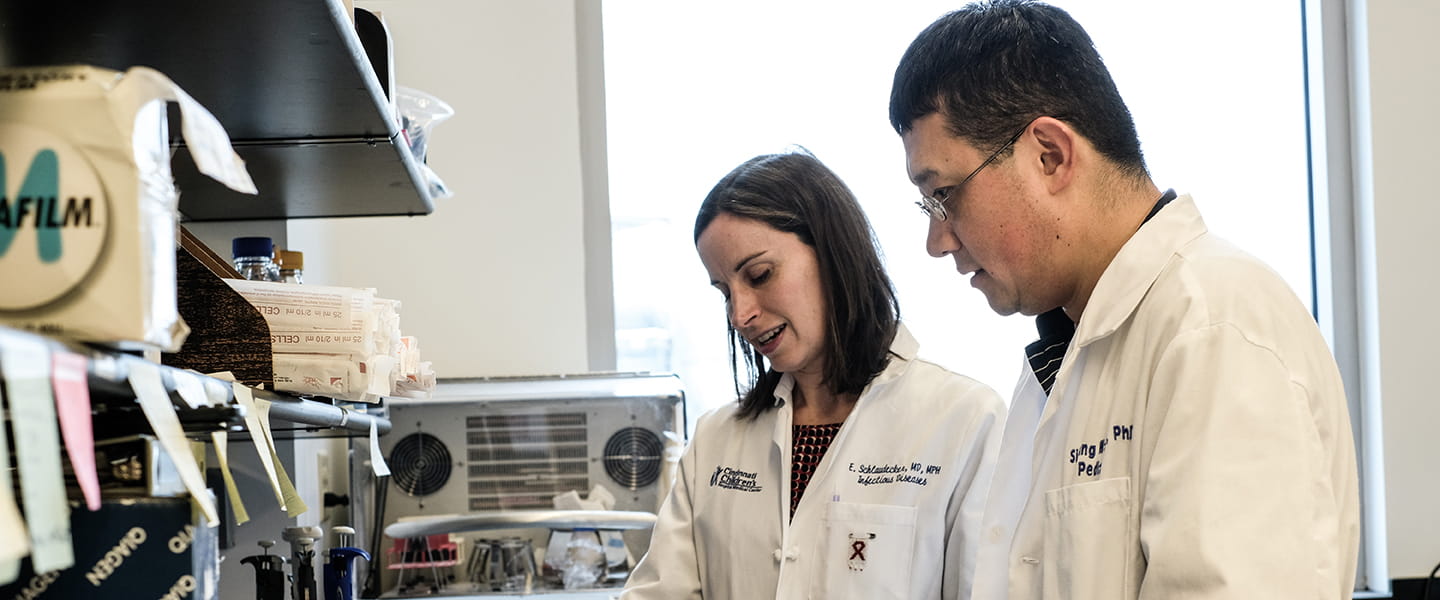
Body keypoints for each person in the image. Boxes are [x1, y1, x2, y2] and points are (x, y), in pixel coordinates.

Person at [887, 2, 1360, 598]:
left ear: (1050, 155)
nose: (937, 242)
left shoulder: (1216, 328)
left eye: (944, 195)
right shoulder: (1070, 351)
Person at [621, 150, 1005, 600]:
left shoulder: (964, 420)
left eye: (759, 275)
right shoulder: (715, 440)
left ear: (834, 254)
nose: (740, 315)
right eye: (725, 292)